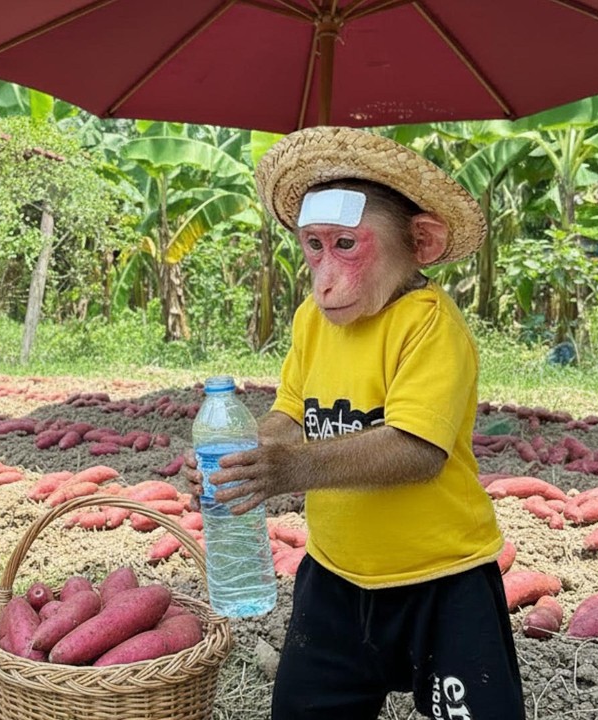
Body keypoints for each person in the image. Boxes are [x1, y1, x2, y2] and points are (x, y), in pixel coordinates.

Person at [187, 127, 524, 719]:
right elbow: (290, 416)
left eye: (347, 245)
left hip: (442, 579)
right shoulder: (311, 322)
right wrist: (244, 454)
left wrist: (289, 468)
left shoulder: (429, 326)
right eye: (312, 246)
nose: (323, 275)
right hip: (335, 577)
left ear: (419, 242)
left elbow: (417, 451)